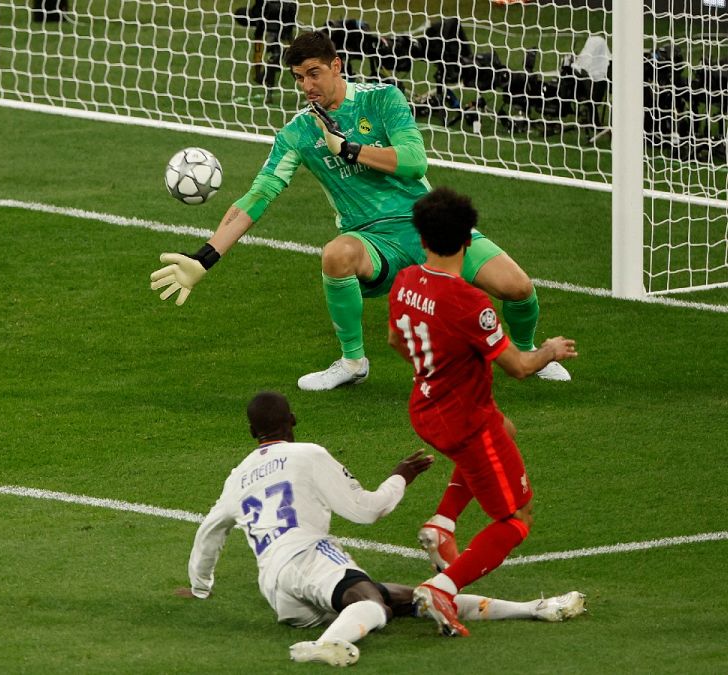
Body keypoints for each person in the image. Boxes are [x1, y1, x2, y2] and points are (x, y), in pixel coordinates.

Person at [150, 30, 571, 391]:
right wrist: (205, 256)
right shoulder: (298, 133)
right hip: (372, 240)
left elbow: (414, 161)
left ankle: (528, 352)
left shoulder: (382, 99)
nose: (307, 86)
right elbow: (257, 197)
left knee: (518, 288)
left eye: (314, 73)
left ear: (337, 66)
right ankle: (352, 362)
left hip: (431, 227)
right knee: (336, 254)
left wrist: (350, 149)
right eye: (299, 78)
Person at [180, 391, 586, 666]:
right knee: (370, 601)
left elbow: (209, 533)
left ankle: (533, 609)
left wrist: (200, 587)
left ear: (253, 433)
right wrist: (401, 477)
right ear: (293, 420)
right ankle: (327, 645)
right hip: (308, 555)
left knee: (414, 599)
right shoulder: (307, 454)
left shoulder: (237, 477)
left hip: (276, 589)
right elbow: (366, 511)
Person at [387, 187, 580, 637]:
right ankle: (442, 588)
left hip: (425, 406)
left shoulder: (405, 281)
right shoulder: (471, 303)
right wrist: (549, 350)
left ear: (422, 238)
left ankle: (442, 523)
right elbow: (519, 367)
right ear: (468, 240)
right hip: (464, 422)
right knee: (516, 519)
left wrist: (435, 372)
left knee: (504, 427)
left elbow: (396, 341)